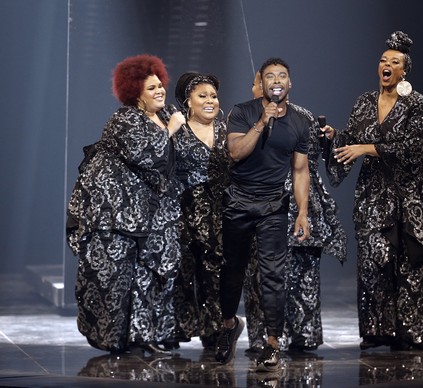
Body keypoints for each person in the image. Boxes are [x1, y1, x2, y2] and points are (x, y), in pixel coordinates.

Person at [323, 31, 423, 351]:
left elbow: (416, 147)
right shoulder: (365, 102)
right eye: (383, 60)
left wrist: (367, 147)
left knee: (414, 261)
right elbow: (351, 142)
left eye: (394, 62)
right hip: (375, 192)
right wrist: (332, 139)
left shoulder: (416, 102)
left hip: (413, 193)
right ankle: (377, 330)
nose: (386, 65)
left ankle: (412, 332)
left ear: (404, 70)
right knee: (373, 257)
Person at [65, 54, 186, 355]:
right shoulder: (124, 119)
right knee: (114, 279)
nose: (160, 91)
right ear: (135, 93)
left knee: (153, 274)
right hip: (117, 214)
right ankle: (116, 340)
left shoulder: (168, 114)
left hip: (156, 213)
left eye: (160, 85)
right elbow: (146, 156)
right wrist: (170, 130)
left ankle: (144, 334)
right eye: (151, 88)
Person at [214, 57, 311, 372]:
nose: (277, 80)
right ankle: (229, 325)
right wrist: (261, 122)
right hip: (239, 201)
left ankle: (272, 343)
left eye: (282, 75)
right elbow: (235, 153)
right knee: (232, 269)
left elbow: (300, 170)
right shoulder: (243, 111)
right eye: (270, 76)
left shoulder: (300, 122)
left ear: (290, 83)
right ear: (262, 82)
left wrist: (302, 213)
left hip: (273, 206)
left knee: (272, 274)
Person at [244, 71, 347, 353]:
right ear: (256, 86)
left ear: (289, 85)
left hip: (301, 206)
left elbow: (312, 165)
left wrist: (330, 140)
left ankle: (303, 335)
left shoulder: (304, 117)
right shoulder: (245, 117)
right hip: (260, 206)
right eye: (264, 81)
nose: (272, 85)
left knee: (303, 274)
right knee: (262, 275)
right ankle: (266, 339)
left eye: (280, 79)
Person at [169, 72, 231, 349]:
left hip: (220, 211)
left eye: (214, 96)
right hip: (184, 211)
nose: (210, 101)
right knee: (183, 273)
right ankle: (179, 329)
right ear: (188, 102)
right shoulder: (175, 130)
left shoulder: (229, 130)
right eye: (202, 96)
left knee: (216, 274)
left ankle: (215, 331)